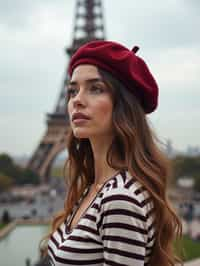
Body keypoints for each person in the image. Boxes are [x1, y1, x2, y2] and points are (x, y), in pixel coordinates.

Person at [41, 40, 183, 266]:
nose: (77, 100)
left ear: (123, 106)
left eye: (95, 88)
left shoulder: (119, 199)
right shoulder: (97, 188)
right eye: (73, 90)